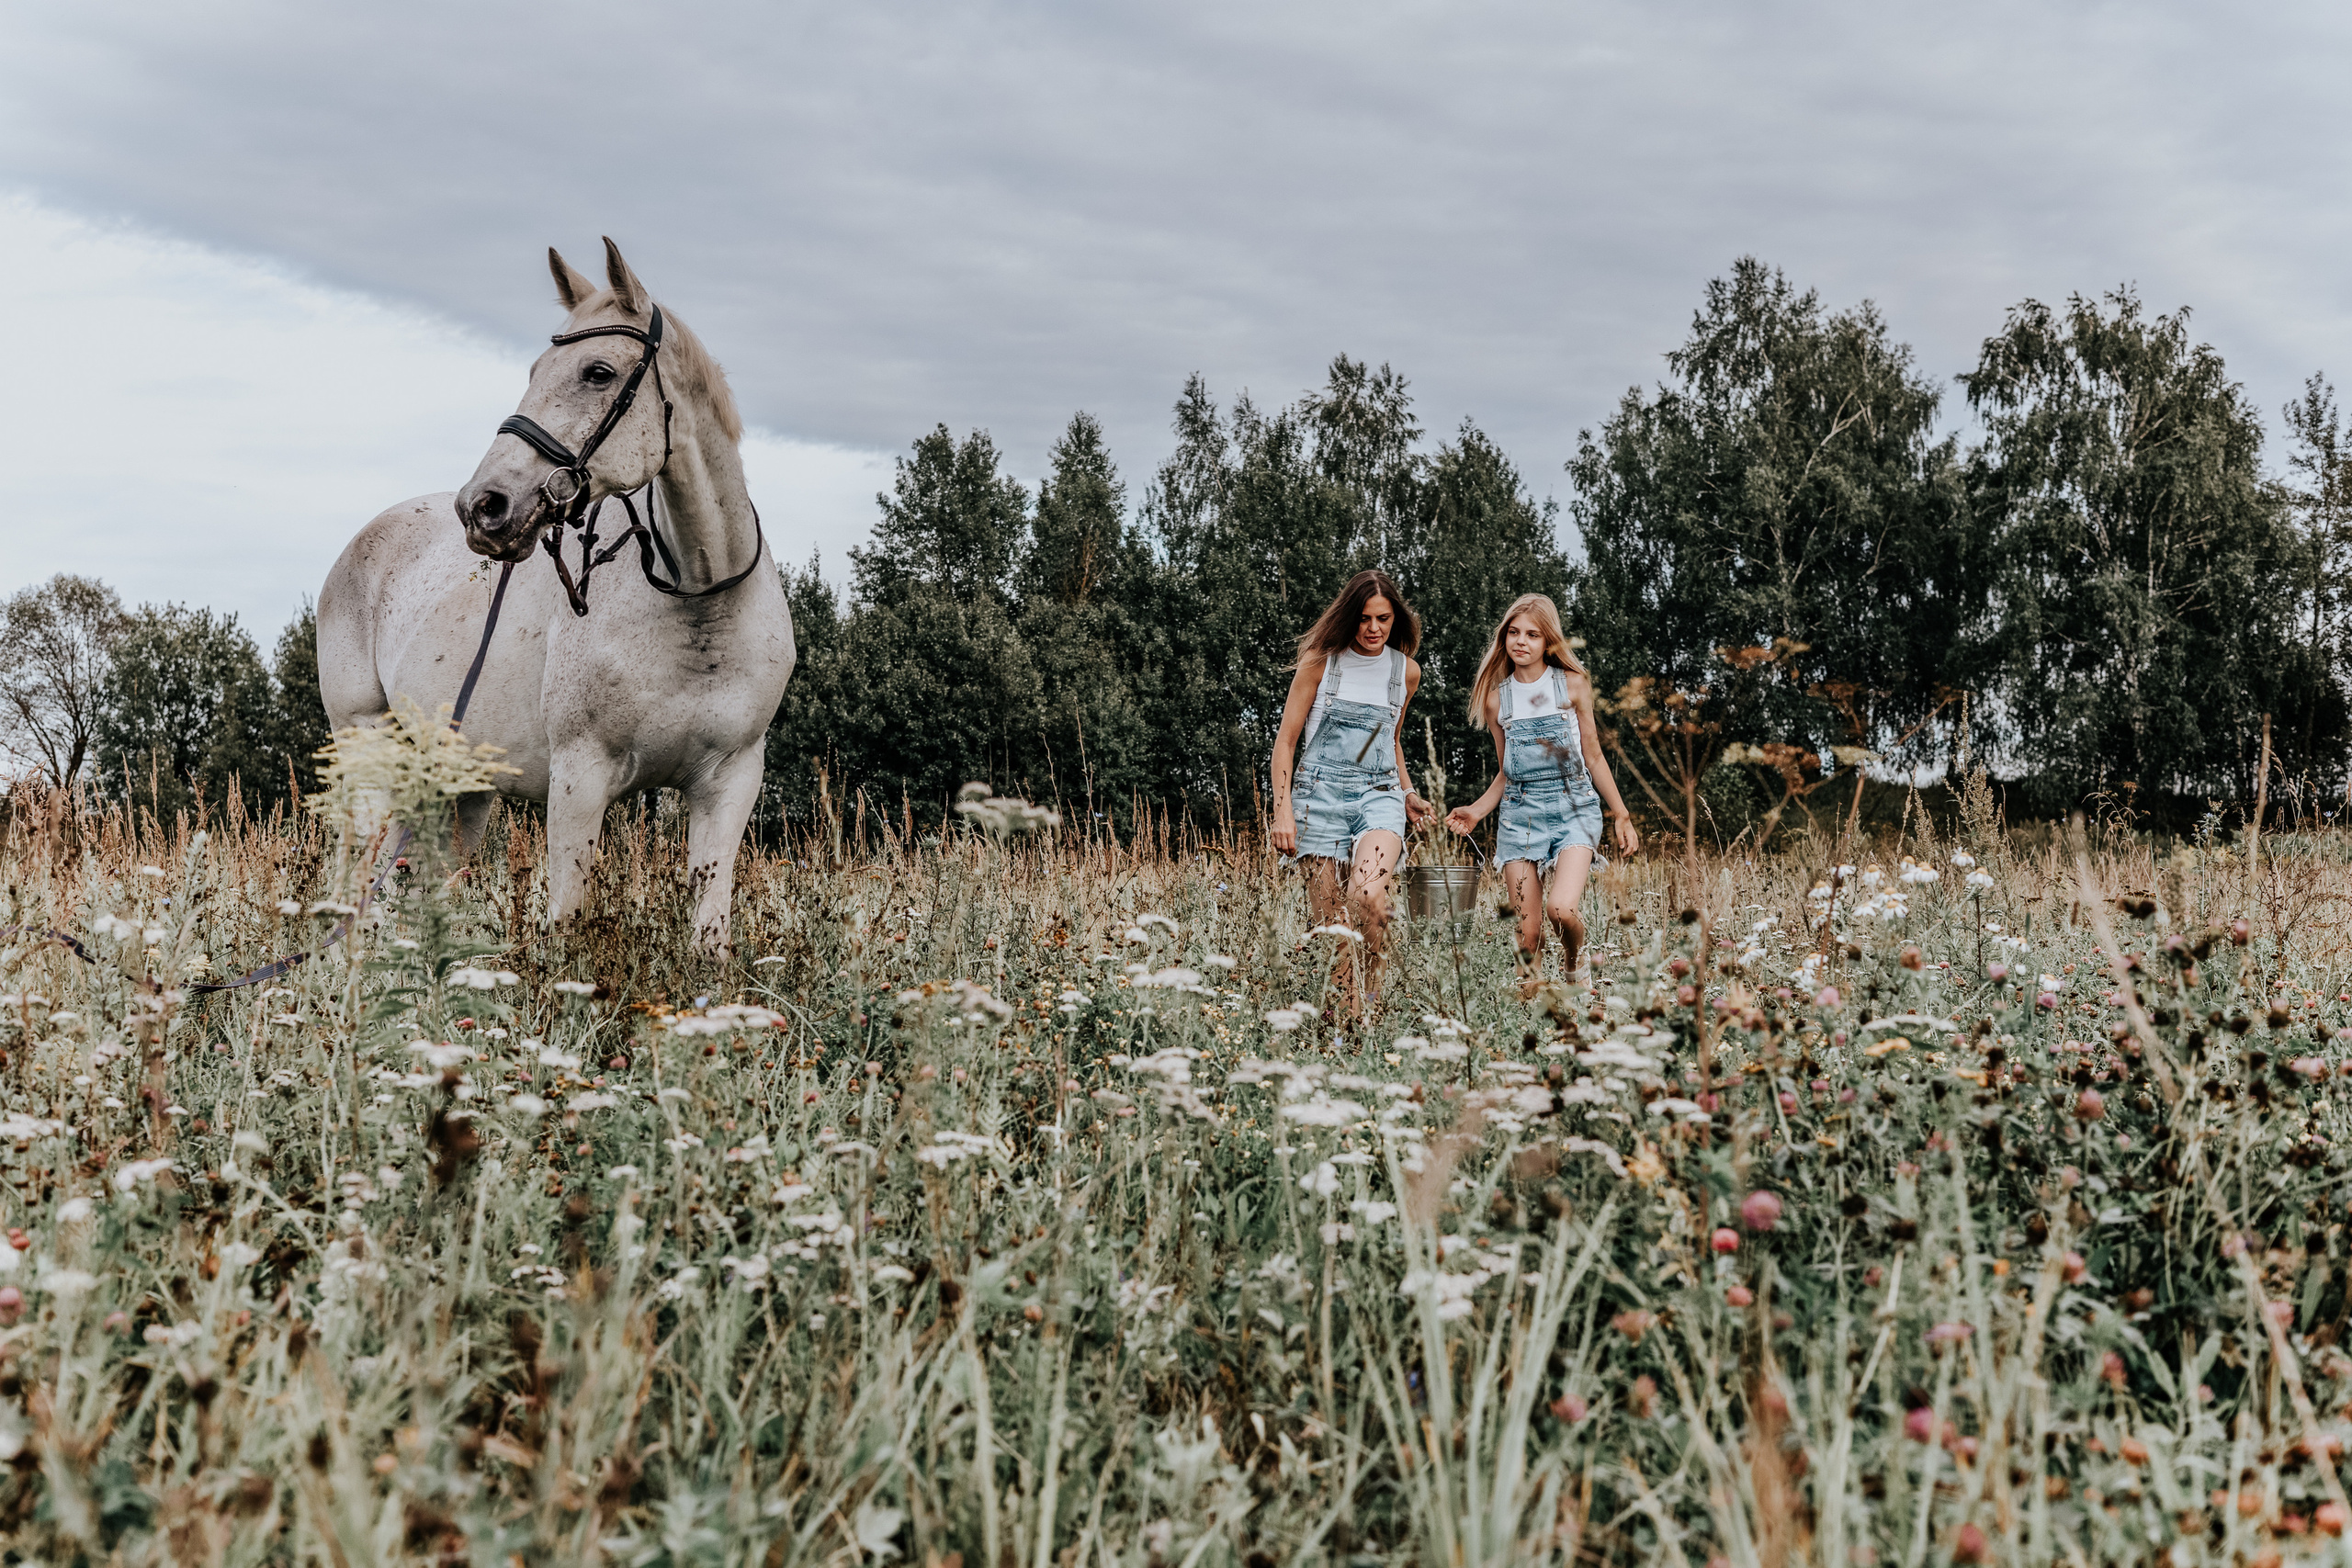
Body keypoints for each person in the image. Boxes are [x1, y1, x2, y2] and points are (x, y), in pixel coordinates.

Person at [1444, 593, 1638, 985]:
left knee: (1562, 909)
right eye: (1514, 633)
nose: (1521, 641)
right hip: (1520, 816)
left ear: (1548, 641)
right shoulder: (1498, 701)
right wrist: (1478, 810)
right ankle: (1529, 1015)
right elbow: (1507, 771)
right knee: (1527, 935)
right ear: (1504, 638)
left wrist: (1621, 813)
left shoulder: (1573, 686)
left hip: (1575, 809)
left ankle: (1573, 964)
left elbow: (1594, 756)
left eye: (1532, 634)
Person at [1269, 570, 1434, 1021]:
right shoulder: (1321, 663)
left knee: (1367, 897)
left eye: (1383, 618)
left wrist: (1408, 791)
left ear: (1395, 619)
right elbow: (1286, 741)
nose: (1374, 629)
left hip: (1379, 794)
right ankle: (1342, 1018)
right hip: (1317, 797)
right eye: (1364, 618)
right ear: (1349, 618)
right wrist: (1283, 810)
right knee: (1332, 928)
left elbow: (1392, 740)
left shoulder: (1406, 672)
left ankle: (1369, 999)